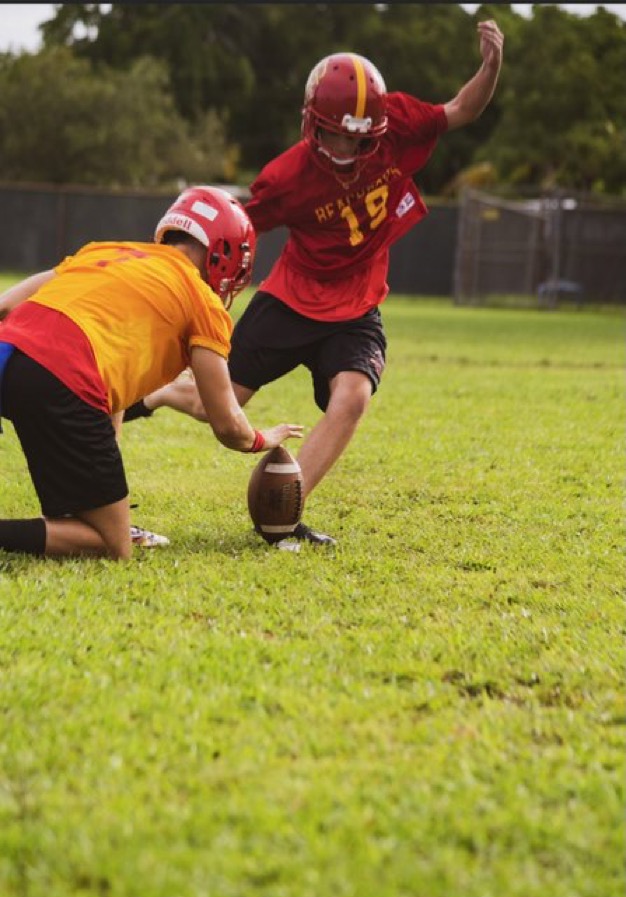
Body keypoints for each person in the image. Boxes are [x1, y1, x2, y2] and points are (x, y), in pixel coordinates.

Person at [121, 20, 505, 547]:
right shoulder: (287, 177)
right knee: (224, 401)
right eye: (336, 134)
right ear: (312, 122)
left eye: (358, 138)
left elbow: (461, 109)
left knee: (353, 396)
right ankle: (161, 392)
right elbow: (232, 226)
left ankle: (285, 508)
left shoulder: (399, 124)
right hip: (292, 298)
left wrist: (490, 67)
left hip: (357, 302)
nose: (346, 148)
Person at [0, 186, 303, 560]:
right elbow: (226, 424)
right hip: (62, 376)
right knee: (112, 544)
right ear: (225, 253)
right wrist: (261, 439)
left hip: (7, 354)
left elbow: (7, 305)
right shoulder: (201, 300)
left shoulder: (105, 251)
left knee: (76, 513)